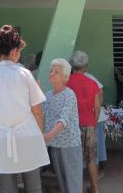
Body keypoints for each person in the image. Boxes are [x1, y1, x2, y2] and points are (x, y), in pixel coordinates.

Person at [0, 25, 49, 193]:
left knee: (7, 189)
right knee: (34, 187)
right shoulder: (26, 75)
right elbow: (37, 111)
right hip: (28, 135)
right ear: (14, 51)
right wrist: (41, 136)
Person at [42, 58, 83, 193]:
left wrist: (48, 136)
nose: (52, 74)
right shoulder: (48, 95)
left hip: (69, 144)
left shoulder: (69, 95)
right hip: (55, 144)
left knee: (73, 184)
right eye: (51, 71)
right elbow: (41, 115)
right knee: (63, 183)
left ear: (65, 77)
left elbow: (63, 120)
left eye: (56, 72)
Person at [66, 50, 101, 193]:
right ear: (85, 66)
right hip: (89, 124)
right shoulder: (92, 83)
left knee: (74, 160)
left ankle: (76, 189)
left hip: (72, 126)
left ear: (71, 65)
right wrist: (94, 122)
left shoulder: (66, 83)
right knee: (90, 159)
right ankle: (95, 188)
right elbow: (97, 107)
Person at [84, 72, 107, 179]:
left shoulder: (88, 76)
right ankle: (96, 171)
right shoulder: (88, 77)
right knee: (96, 146)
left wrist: (96, 106)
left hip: (94, 117)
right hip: (93, 116)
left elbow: (100, 92)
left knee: (95, 147)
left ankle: (97, 172)